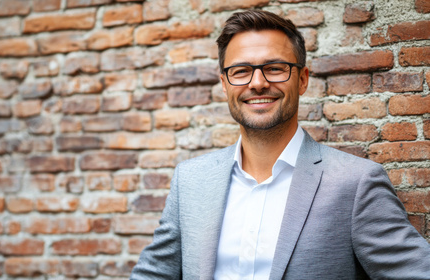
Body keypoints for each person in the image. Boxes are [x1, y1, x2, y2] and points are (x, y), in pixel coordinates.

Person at [130, 10, 430, 280]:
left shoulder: (355, 183)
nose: (257, 82)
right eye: (240, 71)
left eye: (274, 68)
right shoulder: (191, 180)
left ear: (302, 79)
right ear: (224, 83)